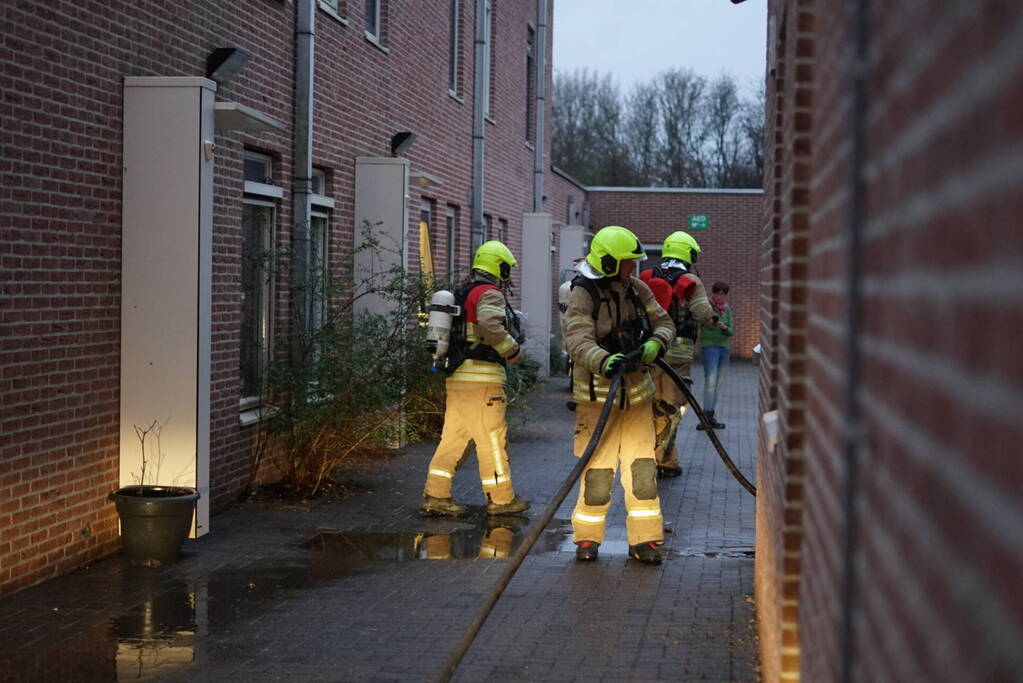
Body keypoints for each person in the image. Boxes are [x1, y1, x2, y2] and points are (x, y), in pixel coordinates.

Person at [562, 225, 675, 565]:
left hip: (638, 399)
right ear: (610, 262)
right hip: (598, 402)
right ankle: (586, 540)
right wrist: (602, 360)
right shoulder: (584, 293)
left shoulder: (637, 290)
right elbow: (576, 339)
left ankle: (645, 541)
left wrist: (657, 342)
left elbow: (665, 323)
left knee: (643, 473)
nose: (633, 269)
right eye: (628, 263)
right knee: (597, 474)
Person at [421, 241, 531, 517]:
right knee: (492, 440)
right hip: (483, 383)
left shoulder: (462, 292)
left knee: (453, 439)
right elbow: (491, 326)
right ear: (499, 266)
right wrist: (514, 352)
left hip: (458, 378)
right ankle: (502, 499)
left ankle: (436, 494)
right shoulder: (489, 293)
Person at [639, 231, 718, 477]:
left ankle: (648, 455)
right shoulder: (689, 280)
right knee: (673, 407)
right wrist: (716, 317)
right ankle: (665, 460)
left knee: (650, 403)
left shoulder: (647, 275)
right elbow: (703, 314)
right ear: (689, 253)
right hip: (679, 352)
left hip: (651, 348)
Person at [697, 282, 733, 430]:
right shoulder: (707, 307)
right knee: (710, 382)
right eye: (717, 293)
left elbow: (731, 331)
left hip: (724, 347)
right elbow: (705, 324)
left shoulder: (727, 309)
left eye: (723, 294)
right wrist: (715, 324)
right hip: (710, 347)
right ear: (713, 293)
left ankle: (711, 415)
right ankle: (705, 415)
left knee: (718, 384)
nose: (720, 297)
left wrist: (725, 328)